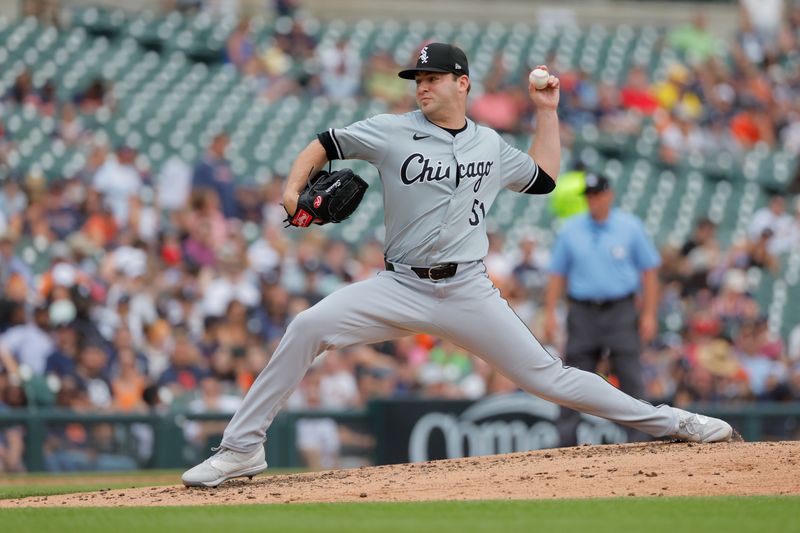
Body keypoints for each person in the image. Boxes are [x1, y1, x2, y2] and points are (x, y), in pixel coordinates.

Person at [182, 42, 733, 488]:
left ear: (462, 83)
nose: (422, 86)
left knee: (550, 378)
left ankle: (676, 422)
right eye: (418, 79)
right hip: (399, 285)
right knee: (306, 327)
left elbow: (542, 177)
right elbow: (323, 144)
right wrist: (290, 190)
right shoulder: (391, 129)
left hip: (467, 289)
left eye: (434, 77)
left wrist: (546, 113)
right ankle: (240, 450)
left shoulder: (489, 144)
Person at [543, 173, 661, 445]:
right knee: (573, 375)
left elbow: (650, 271)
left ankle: (640, 439)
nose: (593, 200)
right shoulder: (571, 229)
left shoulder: (630, 227)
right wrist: (550, 312)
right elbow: (557, 274)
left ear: (609, 195)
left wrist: (650, 314)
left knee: (630, 373)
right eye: (589, 196)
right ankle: (566, 441)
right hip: (583, 311)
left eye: (597, 194)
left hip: (620, 309)